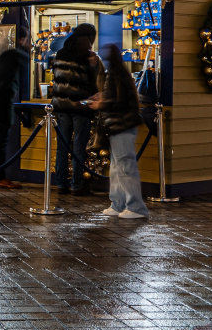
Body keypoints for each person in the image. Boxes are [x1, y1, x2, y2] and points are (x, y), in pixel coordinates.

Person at [88, 45, 148, 219]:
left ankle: (136, 207)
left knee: (124, 166)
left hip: (120, 125)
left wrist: (101, 103)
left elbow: (118, 102)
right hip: (120, 125)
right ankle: (118, 204)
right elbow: (119, 98)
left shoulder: (114, 75)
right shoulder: (119, 74)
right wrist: (103, 98)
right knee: (117, 167)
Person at [52, 23, 103, 195]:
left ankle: (61, 184)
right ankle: (77, 185)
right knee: (79, 147)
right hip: (81, 105)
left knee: (62, 146)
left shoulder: (60, 53)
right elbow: (98, 83)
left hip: (61, 106)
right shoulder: (90, 57)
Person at [0, 30, 30, 189]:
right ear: (22, 40)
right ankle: (0, 177)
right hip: (2, 105)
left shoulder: (4, 56)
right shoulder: (20, 57)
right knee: (0, 142)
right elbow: (9, 82)